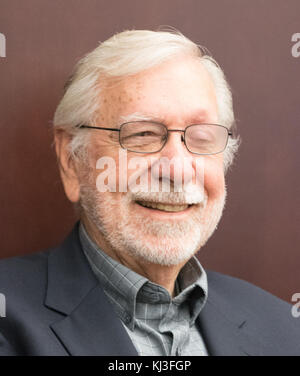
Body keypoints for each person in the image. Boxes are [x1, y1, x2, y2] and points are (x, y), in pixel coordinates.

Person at [0, 29, 299, 356]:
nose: (177, 170)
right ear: (72, 159)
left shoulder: (283, 327)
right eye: (141, 134)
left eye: (200, 138)